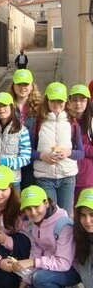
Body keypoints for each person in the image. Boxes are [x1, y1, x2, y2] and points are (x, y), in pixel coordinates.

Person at [13, 185, 79, 288]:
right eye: (28, 208)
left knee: (39, 278)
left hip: (71, 269)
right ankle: (51, 287)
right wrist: (23, 284)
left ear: (46, 203)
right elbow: (36, 250)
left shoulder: (63, 224)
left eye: (37, 206)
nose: (33, 212)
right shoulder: (31, 222)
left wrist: (33, 263)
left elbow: (64, 263)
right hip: (48, 265)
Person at [30, 82, 84, 215]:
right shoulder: (38, 122)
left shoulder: (72, 123)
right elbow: (28, 151)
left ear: (66, 101)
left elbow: (81, 153)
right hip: (44, 177)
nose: (57, 104)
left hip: (67, 177)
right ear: (47, 100)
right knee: (48, 215)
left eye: (60, 100)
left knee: (65, 215)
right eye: (53, 100)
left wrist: (69, 152)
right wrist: (42, 155)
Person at [9, 69, 41, 189]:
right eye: (19, 84)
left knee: (28, 194)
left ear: (32, 86)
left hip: (31, 159)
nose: (22, 88)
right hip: (12, 159)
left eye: (26, 84)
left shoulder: (39, 106)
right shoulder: (7, 105)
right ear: (13, 86)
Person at [69, 84, 93, 204]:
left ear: (88, 101)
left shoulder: (91, 122)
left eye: (82, 100)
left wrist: (79, 147)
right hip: (67, 176)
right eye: (74, 100)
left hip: (87, 178)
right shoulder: (64, 120)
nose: (78, 103)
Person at [73, 188, 93, 288]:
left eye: (92, 214)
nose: (87, 221)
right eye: (83, 215)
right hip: (91, 287)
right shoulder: (80, 235)